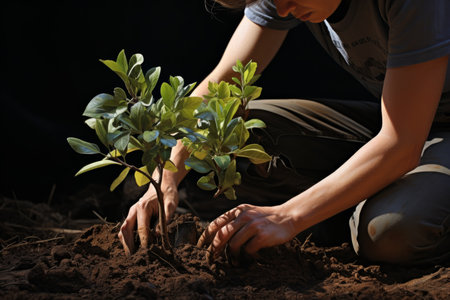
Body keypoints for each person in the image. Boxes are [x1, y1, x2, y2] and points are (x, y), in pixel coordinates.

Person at [119, 0, 450, 265]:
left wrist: (287, 216)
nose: (281, 8)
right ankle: (353, 202)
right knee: (236, 136)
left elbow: (402, 143)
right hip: (398, 117)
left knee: (391, 234)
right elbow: (221, 87)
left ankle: (359, 210)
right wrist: (165, 176)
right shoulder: (284, 0)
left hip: (414, 132)